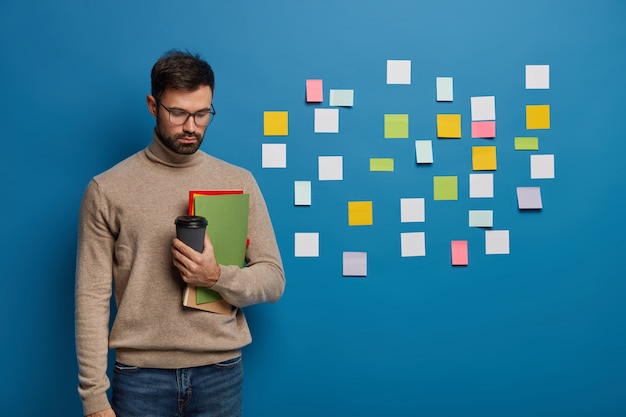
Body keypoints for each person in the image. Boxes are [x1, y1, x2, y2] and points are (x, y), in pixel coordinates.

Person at [75, 50, 285, 417]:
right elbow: (91, 297)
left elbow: (273, 279)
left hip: (220, 373)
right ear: (152, 105)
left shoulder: (239, 181)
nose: (192, 126)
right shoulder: (107, 189)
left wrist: (216, 276)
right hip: (140, 377)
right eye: (179, 113)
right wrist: (94, 399)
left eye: (203, 113)